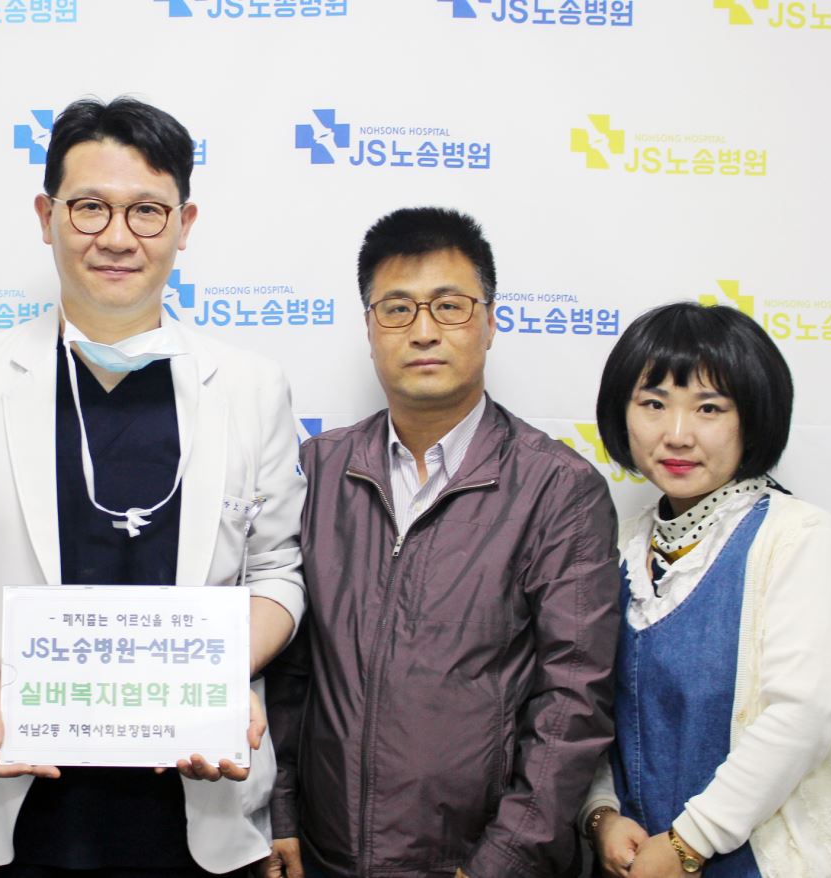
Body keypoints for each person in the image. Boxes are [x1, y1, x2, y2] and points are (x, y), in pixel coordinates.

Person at [0, 96, 306, 876]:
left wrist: (219, 676)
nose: (117, 237)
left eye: (147, 211)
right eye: (90, 208)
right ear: (46, 215)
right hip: (10, 807)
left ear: (184, 225)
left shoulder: (250, 387)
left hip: (200, 807)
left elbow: (278, 572)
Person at [263, 207, 621, 878]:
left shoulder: (558, 489)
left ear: (490, 322)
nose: (423, 331)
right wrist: (278, 813)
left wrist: (502, 862)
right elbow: (289, 671)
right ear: (369, 328)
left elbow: (573, 702)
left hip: (477, 863)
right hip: (323, 857)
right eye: (397, 309)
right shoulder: (317, 471)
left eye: (450, 307)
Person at [582, 302, 831, 878]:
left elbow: (803, 713)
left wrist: (688, 842)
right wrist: (601, 813)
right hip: (638, 861)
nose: (677, 435)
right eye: (653, 404)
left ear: (753, 418)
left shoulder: (798, 537)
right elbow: (590, 706)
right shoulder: (619, 545)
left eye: (709, 408)